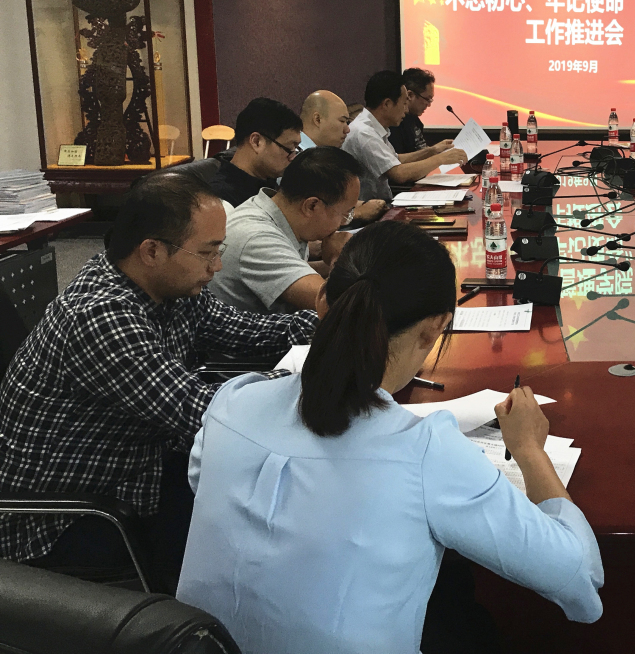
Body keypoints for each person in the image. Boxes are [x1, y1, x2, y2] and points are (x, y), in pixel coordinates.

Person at [177, 221, 604, 654]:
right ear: (434, 328)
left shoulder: (232, 401)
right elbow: (579, 575)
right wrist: (529, 450)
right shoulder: (425, 452)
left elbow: (205, 488)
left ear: (322, 302)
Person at [0, 172, 317, 591]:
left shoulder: (168, 287)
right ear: (152, 251)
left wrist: (329, 321)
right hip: (70, 517)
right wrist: (312, 383)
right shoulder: (101, 315)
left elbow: (245, 331)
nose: (217, 266)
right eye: (207, 252)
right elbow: (201, 412)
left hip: (139, 468)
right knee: (258, 528)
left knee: (262, 507)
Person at [209, 147, 361, 314]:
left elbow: (292, 271)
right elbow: (339, 306)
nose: (344, 223)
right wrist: (340, 258)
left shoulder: (272, 210)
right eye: (346, 214)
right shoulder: (258, 239)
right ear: (312, 206)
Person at [342, 70, 467, 202]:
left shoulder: (372, 126)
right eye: (404, 104)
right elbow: (399, 173)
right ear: (387, 104)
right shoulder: (364, 133)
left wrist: (432, 151)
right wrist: (441, 159)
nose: (406, 110)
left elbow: (395, 159)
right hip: (371, 209)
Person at [299, 89, 388, 223]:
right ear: (317, 119)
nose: (347, 129)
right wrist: (356, 214)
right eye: (342, 121)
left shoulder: (321, 154)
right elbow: (306, 216)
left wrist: (365, 205)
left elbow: (330, 201)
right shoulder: (295, 158)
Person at [209, 98, 303, 208]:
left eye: (296, 149)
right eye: (289, 149)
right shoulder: (220, 201)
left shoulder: (270, 180)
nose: (293, 157)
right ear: (256, 142)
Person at [391, 67, 444, 154]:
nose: (429, 104)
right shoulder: (396, 124)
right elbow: (399, 160)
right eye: (427, 99)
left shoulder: (415, 121)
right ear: (410, 95)